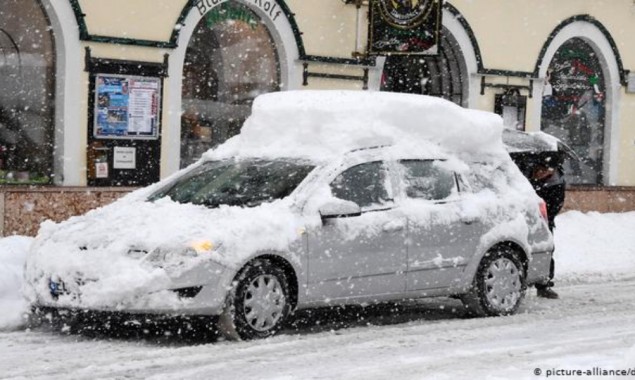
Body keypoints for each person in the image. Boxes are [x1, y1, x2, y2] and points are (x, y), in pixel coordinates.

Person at [530, 153, 566, 299]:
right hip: (522, 218)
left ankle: (544, 285)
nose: (541, 173)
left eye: (545, 170)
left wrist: (544, 218)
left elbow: (555, 205)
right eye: (539, 169)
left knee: (545, 249)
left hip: (544, 220)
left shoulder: (556, 183)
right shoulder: (526, 174)